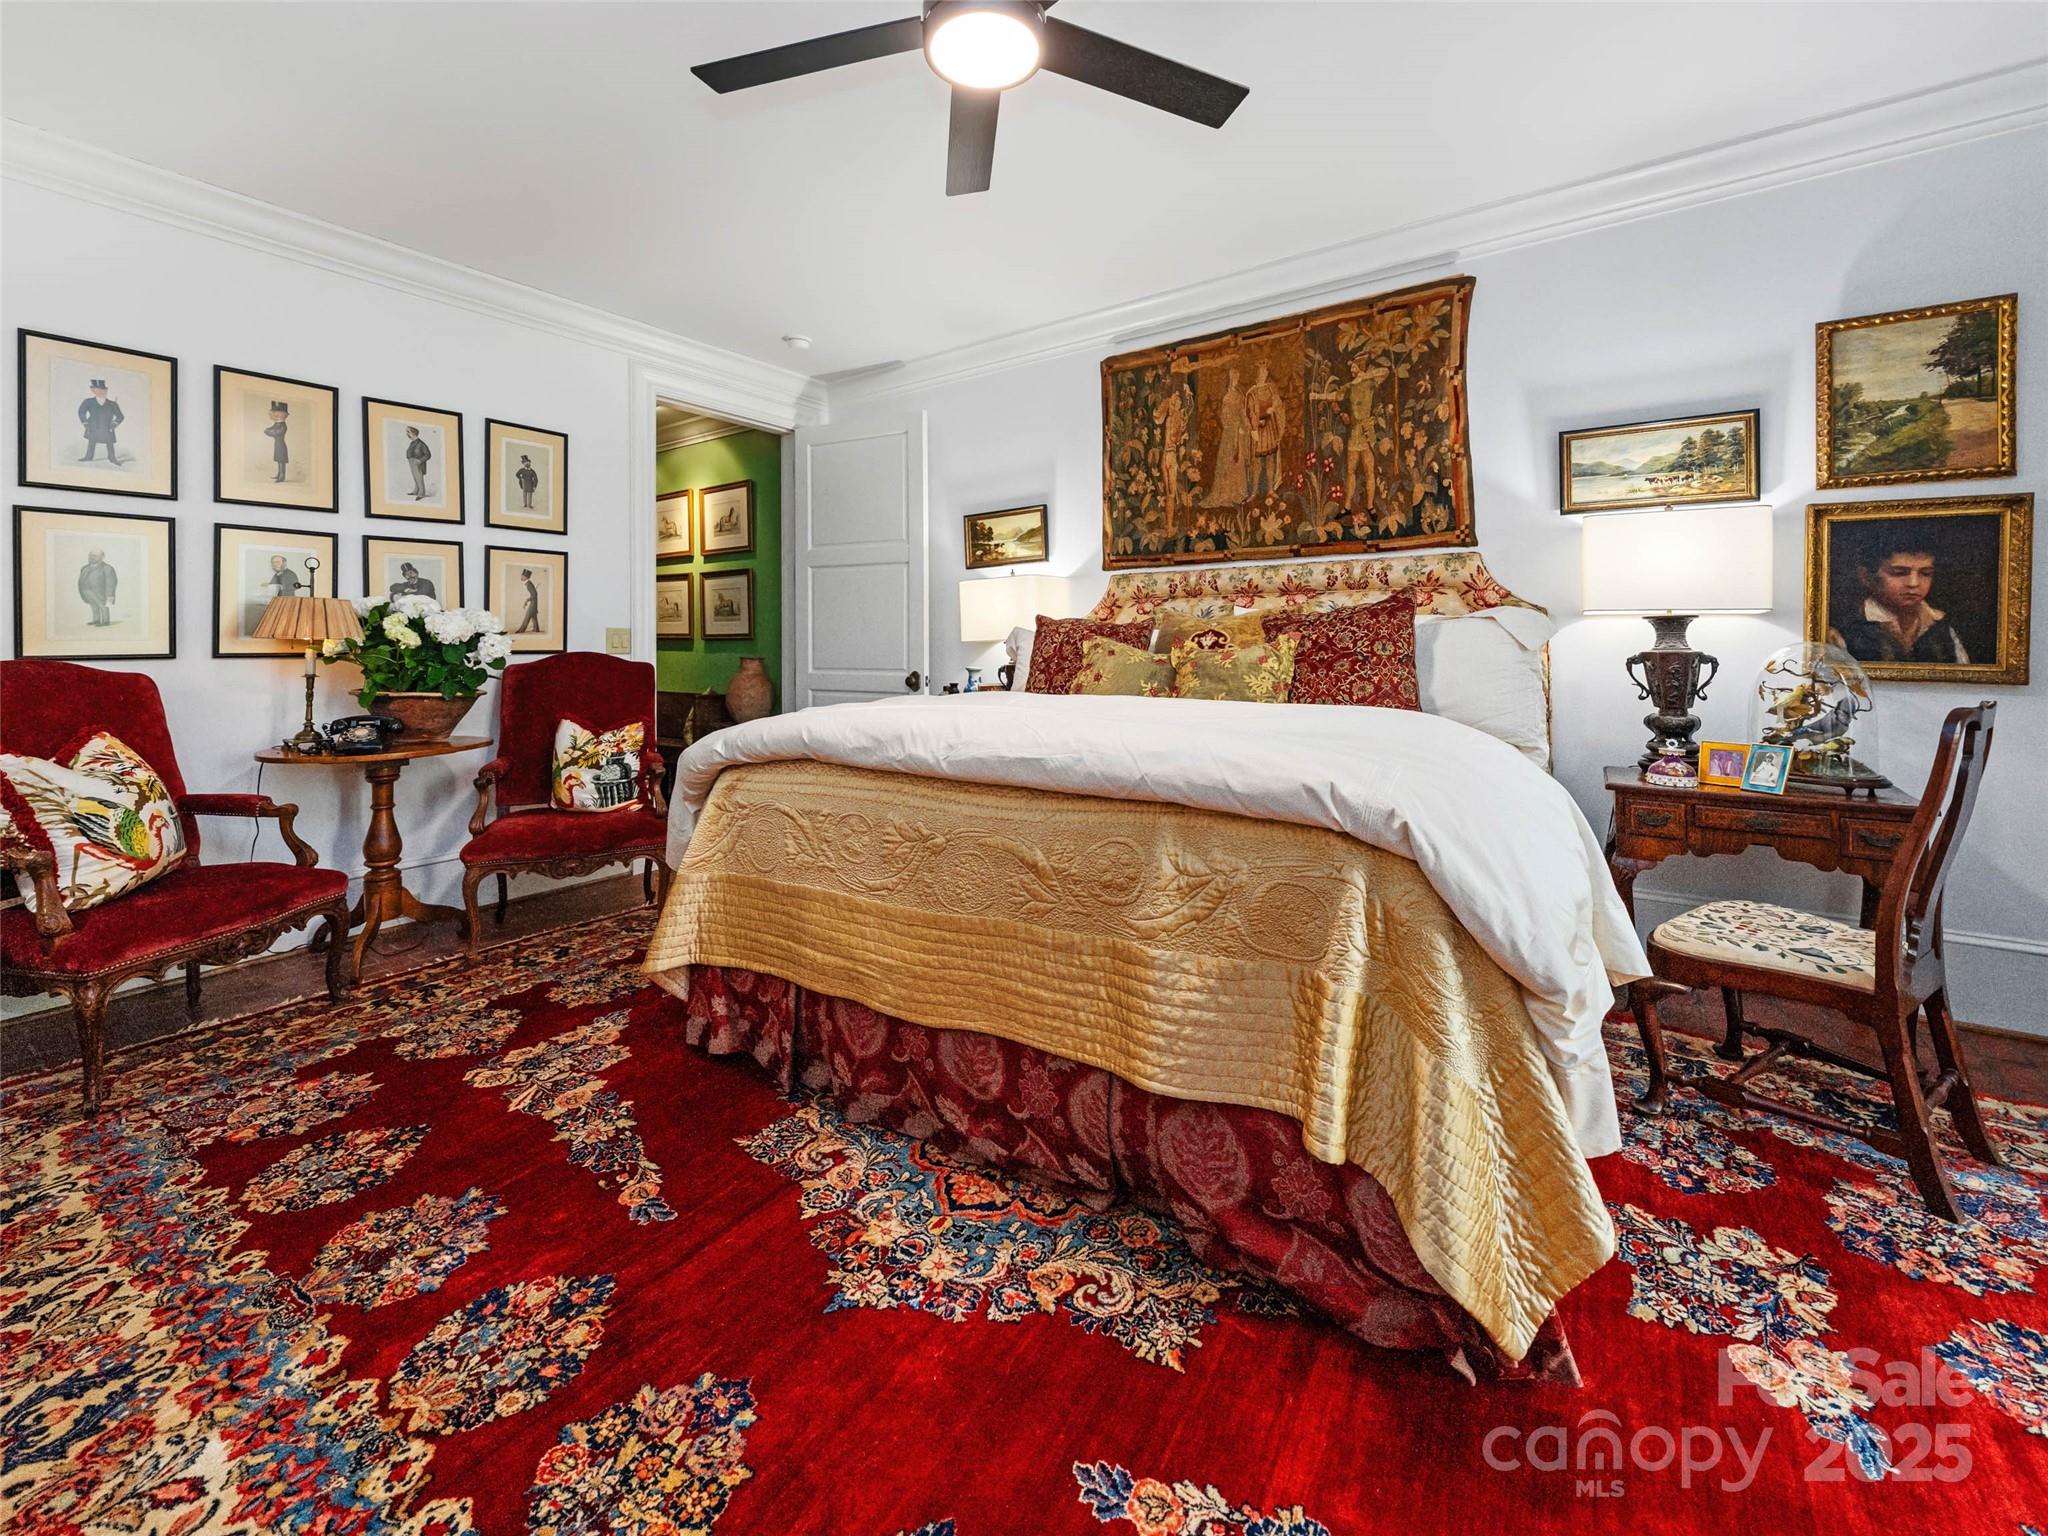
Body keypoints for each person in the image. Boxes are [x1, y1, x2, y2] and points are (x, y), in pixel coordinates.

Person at [1828, 537, 1970, 665]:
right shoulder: (1844, 630)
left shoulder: (1943, 627)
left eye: (1925, 573)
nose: (1913, 583)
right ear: (1866, 577)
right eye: (1899, 573)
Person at [1245, 363, 1285, 500]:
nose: (1264, 373)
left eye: (1265, 371)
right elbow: (1250, 412)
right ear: (1257, 374)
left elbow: (1277, 402)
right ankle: (1254, 492)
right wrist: (1256, 424)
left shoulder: (1270, 388)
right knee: (1257, 462)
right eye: (1261, 371)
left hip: (1270, 428)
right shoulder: (1252, 392)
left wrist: (1273, 408)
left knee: (1270, 459)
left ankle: (1270, 489)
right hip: (1258, 429)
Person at [77, 379, 125, 466]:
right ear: (93, 390)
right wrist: (85, 423)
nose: (101, 392)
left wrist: (114, 424)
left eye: (103, 390)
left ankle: (112, 458)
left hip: (107, 427)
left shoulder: (113, 404)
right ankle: (88, 457)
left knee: (109, 443)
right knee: (91, 441)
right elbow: (81, 412)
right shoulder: (88, 402)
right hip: (93, 426)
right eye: (98, 390)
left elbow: (120, 416)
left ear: (106, 390)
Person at [77, 549, 117, 626]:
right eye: (90, 555)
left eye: (95, 556)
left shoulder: (107, 568)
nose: (92, 557)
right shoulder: (84, 568)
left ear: (102, 557)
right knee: (93, 605)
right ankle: (96, 620)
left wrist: (109, 595)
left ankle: (105, 621)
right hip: (86, 591)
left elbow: (111, 583)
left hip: (100, 592)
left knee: (103, 606)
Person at [265, 400, 290, 483]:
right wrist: (268, 430)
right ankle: (279, 474)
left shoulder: (283, 425)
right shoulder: (277, 424)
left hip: (281, 446)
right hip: (277, 445)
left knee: (282, 460)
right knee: (279, 460)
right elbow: (272, 429)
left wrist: (268, 432)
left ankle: (282, 476)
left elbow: (276, 433)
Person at [405, 426, 431, 500]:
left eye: (408, 432)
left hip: (418, 463)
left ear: (413, 433)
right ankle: (416, 491)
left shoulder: (421, 443)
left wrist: (419, 461)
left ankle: (421, 493)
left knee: (419, 478)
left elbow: (428, 455)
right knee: (415, 478)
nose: (407, 434)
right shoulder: (412, 443)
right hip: (412, 462)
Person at [516, 569, 541, 633]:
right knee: (533, 615)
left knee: (527, 616)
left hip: (533, 603)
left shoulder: (528, 584)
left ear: (526, 577)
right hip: (534, 602)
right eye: (521, 575)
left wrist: (528, 599)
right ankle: (536, 629)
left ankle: (521, 630)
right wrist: (529, 599)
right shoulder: (528, 583)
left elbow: (534, 594)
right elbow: (534, 594)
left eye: (523, 576)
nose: (521, 577)